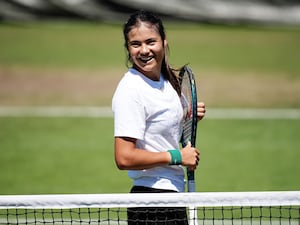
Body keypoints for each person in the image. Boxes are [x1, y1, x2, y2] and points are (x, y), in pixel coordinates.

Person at [112, 10, 206, 225]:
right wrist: (177, 156)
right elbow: (124, 158)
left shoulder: (166, 80)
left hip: (171, 197)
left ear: (164, 42)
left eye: (150, 41)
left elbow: (160, 124)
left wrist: (188, 117)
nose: (144, 50)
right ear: (128, 48)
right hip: (151, 204)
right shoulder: (131, 90)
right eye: (136, 44)